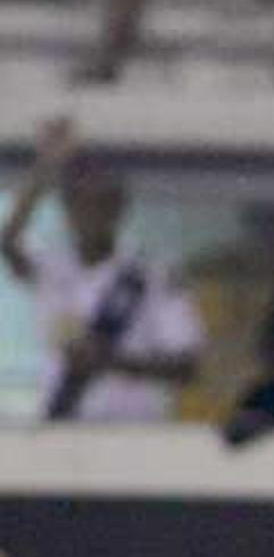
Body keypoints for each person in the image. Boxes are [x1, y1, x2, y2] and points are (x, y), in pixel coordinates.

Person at [0, 118, 203, 423]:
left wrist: (109, 362)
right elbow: (9, 242)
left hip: (132, 435)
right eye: (80, 202)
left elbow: (187, 366)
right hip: (60, 429)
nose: (90, 213)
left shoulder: (152, 276)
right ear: (67, 208)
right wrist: (46, 167)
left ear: (119, 206)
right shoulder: (51, 267)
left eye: (101, 203)